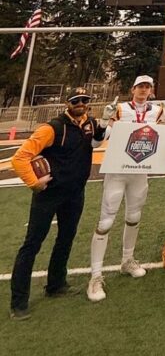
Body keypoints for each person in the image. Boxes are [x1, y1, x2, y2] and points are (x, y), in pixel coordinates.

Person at [10, 88, 107, 320]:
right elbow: (20, 158)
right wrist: (34, 183)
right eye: (76, 100)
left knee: (66, 238)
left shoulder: (89, 123)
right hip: (49, 194)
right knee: (32, 244)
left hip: (75, 192)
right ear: (67, 103)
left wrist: (105, 123)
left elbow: (97, 139)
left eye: (84, 100)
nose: (81, 103)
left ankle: (56, 284)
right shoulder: (52, 128)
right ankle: (18, 302)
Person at [87, 76, 165, 303]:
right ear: (132, 89)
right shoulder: (121, 109)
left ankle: (127, 260)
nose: (143, 90)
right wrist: (104, 122)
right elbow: (97, 143)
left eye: (147, 87)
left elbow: (163, 137)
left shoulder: (157, 111)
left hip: (140, 171)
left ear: (151, 90)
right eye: (140, 86)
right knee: (106, 222)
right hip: (118, 170)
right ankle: (95, 275)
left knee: (134, 216)